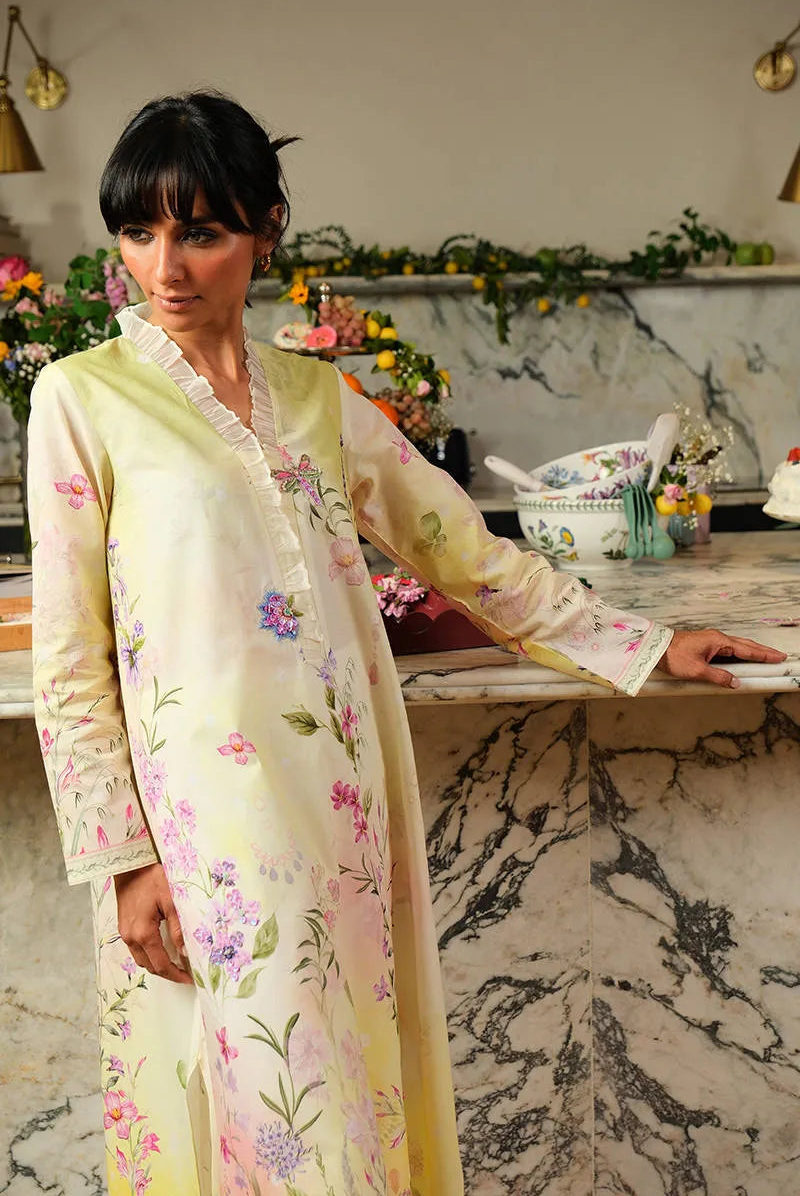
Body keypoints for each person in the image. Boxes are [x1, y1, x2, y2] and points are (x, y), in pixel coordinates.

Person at [27, 91, 785, 1196]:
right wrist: (124, 861)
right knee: (266, 1110)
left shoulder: (315, 398)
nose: (165, 268)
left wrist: (643, 643)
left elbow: (468, 556)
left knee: (346, 1088)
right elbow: (68, 658)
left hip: (342, 801)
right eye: (138, 233)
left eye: (200, 232)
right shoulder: (83, 398)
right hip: (205, 823)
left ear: (266, 231)